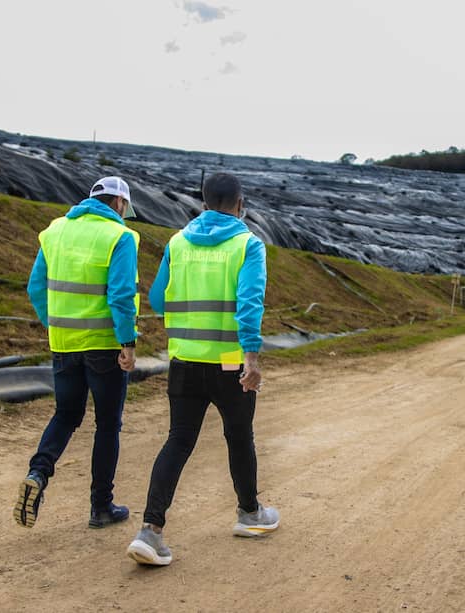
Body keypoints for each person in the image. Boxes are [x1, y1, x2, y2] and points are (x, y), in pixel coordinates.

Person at [126, 172, 278, 566]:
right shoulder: (248, 245)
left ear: (203, 201)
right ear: (240, 204)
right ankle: (249, 514)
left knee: (178, 441)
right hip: (230, 364)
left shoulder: (178, 243)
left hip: (185, 361)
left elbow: (159, 299)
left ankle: (150, 531)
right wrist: (252, 358)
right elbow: (249, 303)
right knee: (239, 436)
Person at [14, 176, 140, 530]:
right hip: (104, 348)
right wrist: (127, 343)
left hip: (63, 344)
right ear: (118, 203)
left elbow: (35, 287)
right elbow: (119, 296)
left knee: (66, 416)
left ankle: (37, 473)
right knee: (107, 425)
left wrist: (54, 325)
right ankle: (101, 507)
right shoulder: (121, 237)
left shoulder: (54, 231)